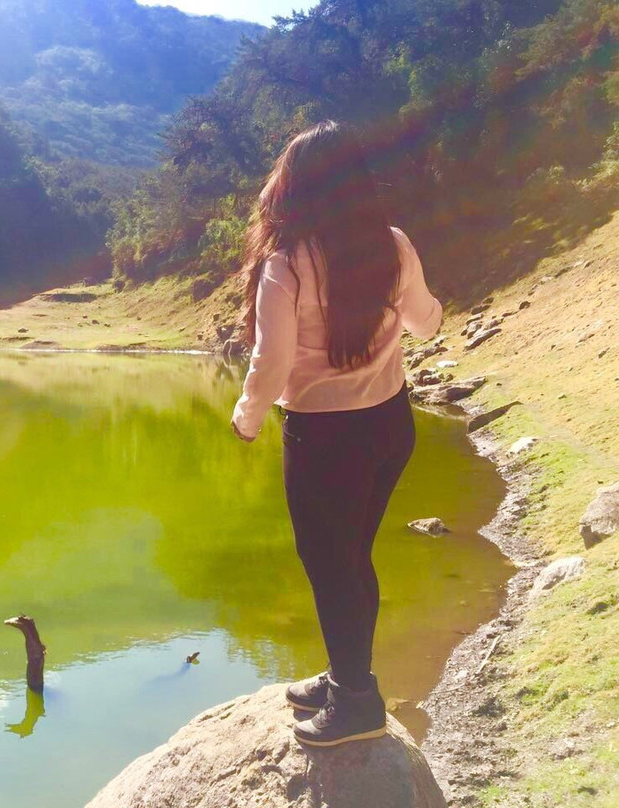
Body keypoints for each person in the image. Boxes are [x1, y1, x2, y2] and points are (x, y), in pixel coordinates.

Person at [229, 120, 443, 748]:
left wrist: (245, 423)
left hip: (324, 440)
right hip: (389, 428)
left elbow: (270, 365)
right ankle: (350, 679)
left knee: (330, 565)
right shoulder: (392, 244)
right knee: (352, 559)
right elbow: (426, 322)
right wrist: (421, 316)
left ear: (293, 187)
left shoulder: (286, 262)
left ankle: (355, 703)